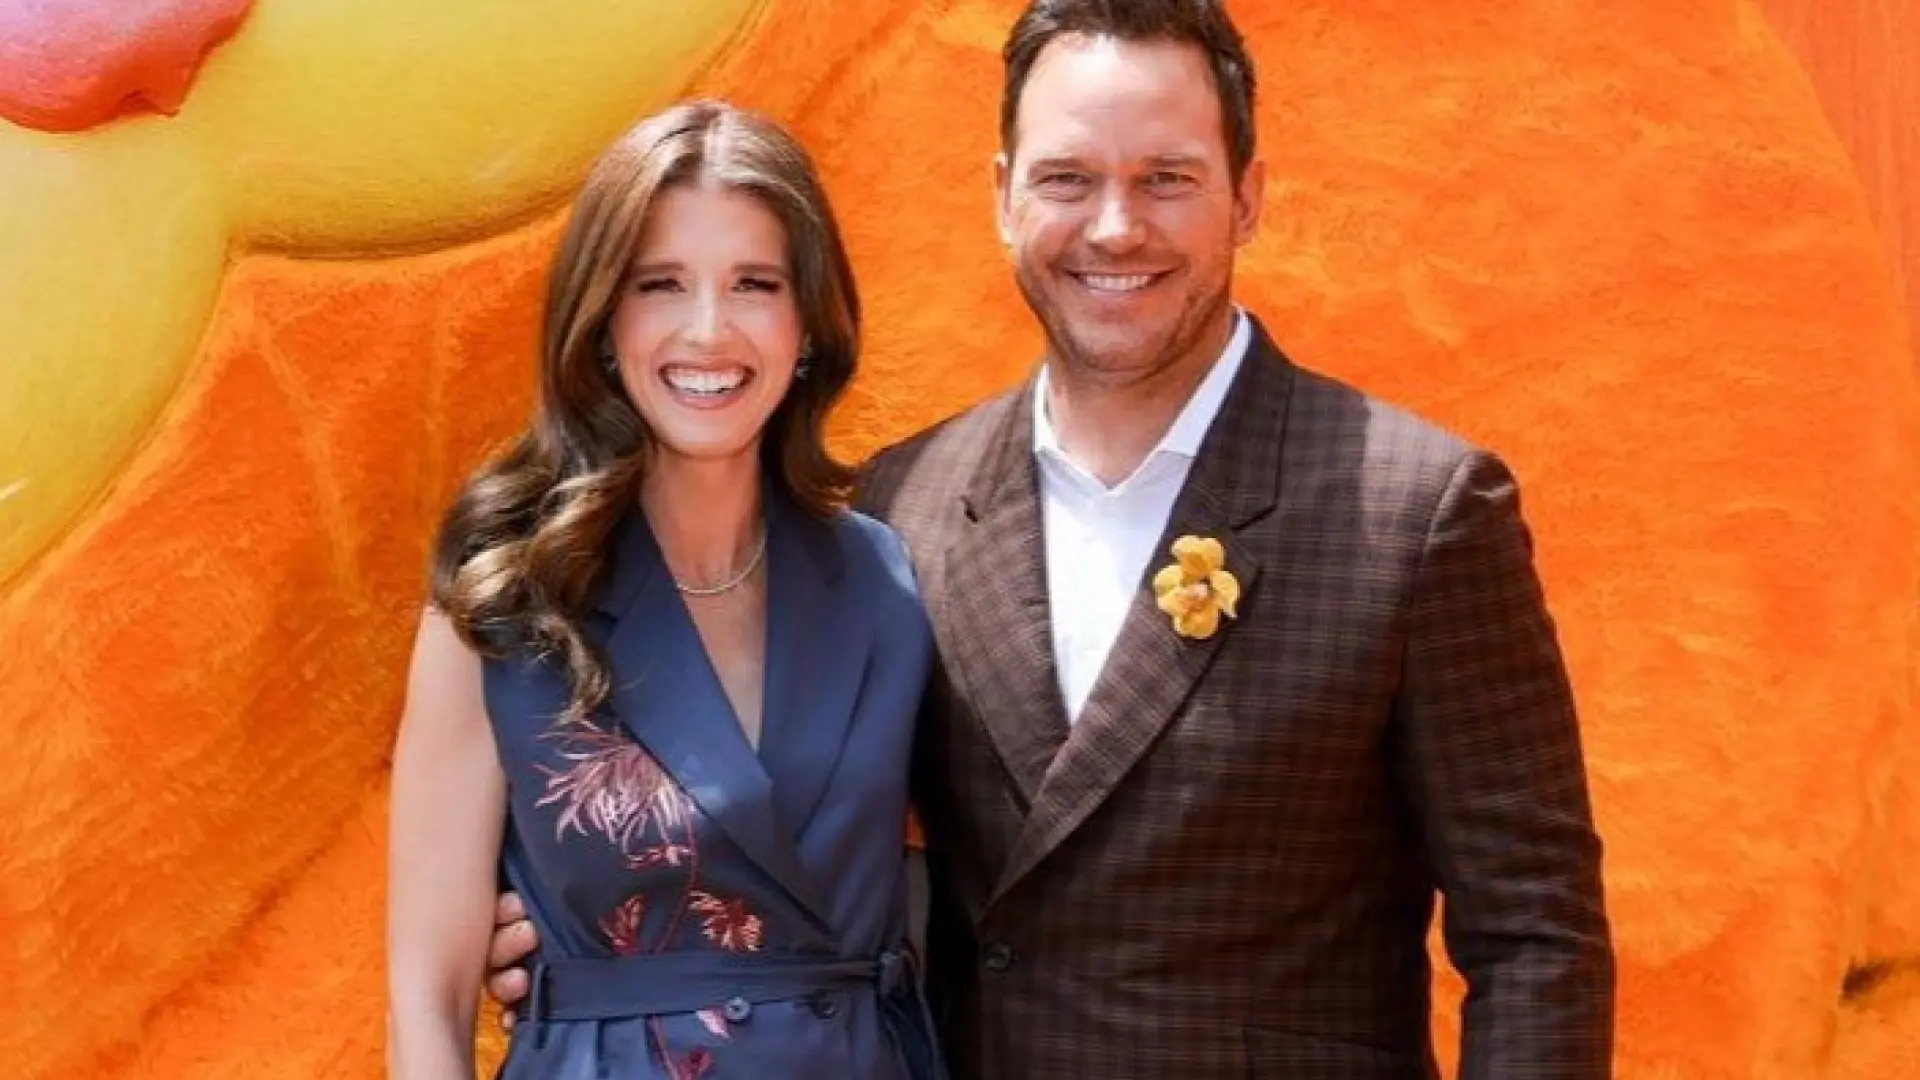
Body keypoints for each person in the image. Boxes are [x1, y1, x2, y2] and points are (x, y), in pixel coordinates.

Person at [485, 1, 1617, 1077]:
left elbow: (1535, 936)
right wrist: (597, 921)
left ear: (1248, 196)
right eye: (1068, 178)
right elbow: (823, 833)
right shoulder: (900, 508)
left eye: (1167, 178)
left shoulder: (1417, 512)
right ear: (1004, 196)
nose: (1116, 227)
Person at [384, 100, 942, 1080]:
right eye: (662, 285)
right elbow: (425, 999)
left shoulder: (884, 582)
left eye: (755, 284)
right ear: (604, 320)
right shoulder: (506, 603)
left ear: (807, 324)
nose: (709, 330)